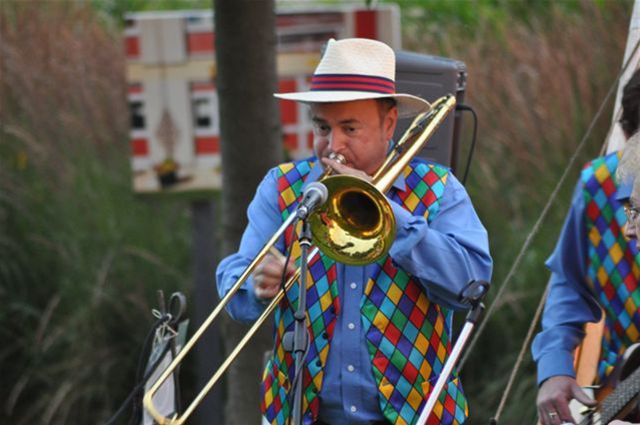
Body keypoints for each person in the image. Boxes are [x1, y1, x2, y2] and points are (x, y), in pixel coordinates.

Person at [216, 38, 493, 425]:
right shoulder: (282, 188)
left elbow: (471, 283)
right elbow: (233, 282)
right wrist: (257, 284)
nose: (333, 146)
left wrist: (394, 218)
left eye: (349, 128)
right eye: (322, 127)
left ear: (389, 124)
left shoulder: (437, 189)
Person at [532, 68, 640, 425]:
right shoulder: (599, 186)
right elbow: (570, 281)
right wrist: (555, 366)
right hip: (622, 395)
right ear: (627, 139)